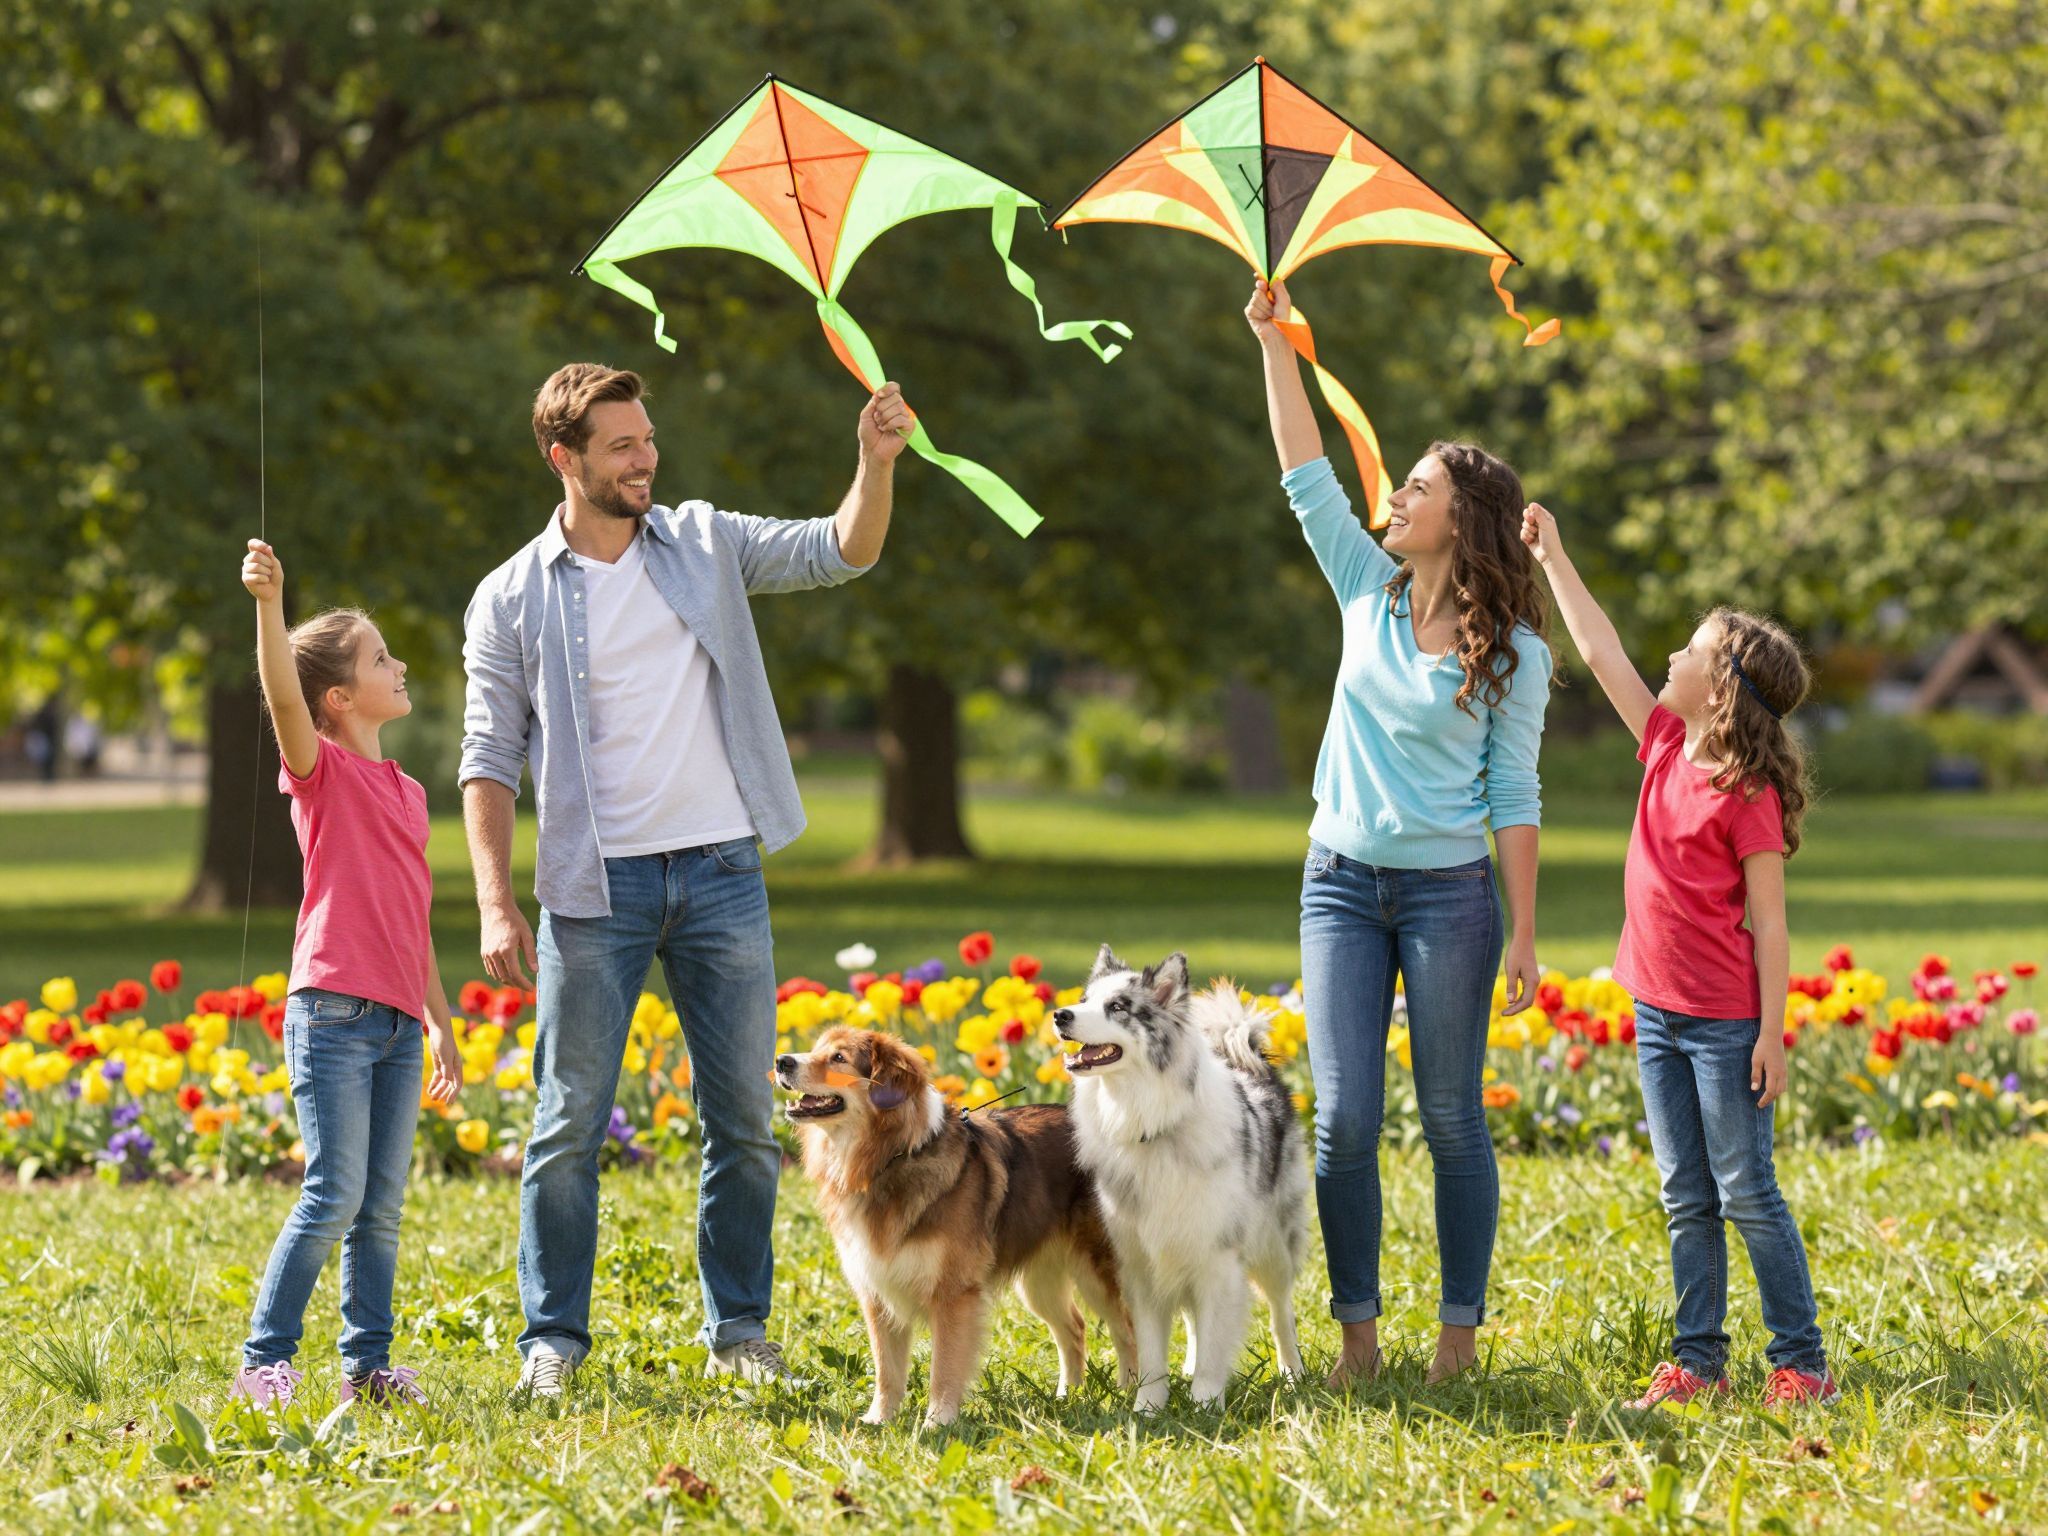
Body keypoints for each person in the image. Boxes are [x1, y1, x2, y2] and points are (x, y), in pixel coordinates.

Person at [459, 363, 911, 1399]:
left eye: (648, 440)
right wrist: (492, 898)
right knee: (567, 1124)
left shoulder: (703, 540)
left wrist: (873, 463)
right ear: (564, 458)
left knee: (745, 1120)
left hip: (720, 871)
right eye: (621, 447)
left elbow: (841, 550)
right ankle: (552, 1343)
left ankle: (739, 1332)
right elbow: (487, 758)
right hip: (593, 891)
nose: (646, 461)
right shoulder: (512, 596)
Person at [1246, 278, 1550, 1385]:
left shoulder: (1514, 653)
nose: (1395, 498)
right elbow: (1303, 471)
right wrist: (1274, 342)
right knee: (1343, 1123)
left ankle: (1457, 1339)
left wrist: (1524, 934)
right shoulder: (1363, 589)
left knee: (1453, 1118)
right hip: (1337, 883)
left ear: (1459, 520)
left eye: (1416, 488)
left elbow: (1513, 796)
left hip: (1447, 898)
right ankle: (1358, 1339)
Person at [1521, 501, 1836, 1407]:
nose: (1671, 656)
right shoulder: (1663, 744)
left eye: (1691, 651)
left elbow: (1771, 926)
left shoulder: (1748, 795)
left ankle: (1802, 1365)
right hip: (1656, 1012)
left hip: (1726, 1025)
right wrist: (1554, 558)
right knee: (1684, 1195)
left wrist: (1771, 1034)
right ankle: (1699, 1363)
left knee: (1746, 1192)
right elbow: (1601, 651)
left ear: (1722, 686)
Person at [230, 540, 463, 1413]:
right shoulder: (319, 771)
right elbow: (283, 694)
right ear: (338, 698)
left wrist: (439, 1020)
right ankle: (264, 1363)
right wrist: (271, 605)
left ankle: (367, 1369)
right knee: (333, 1194)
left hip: (399, 1022)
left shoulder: (409, 790)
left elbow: (414, 915)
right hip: (331, 1011)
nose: (399, 667)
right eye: (380, 659)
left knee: (381, 1207)